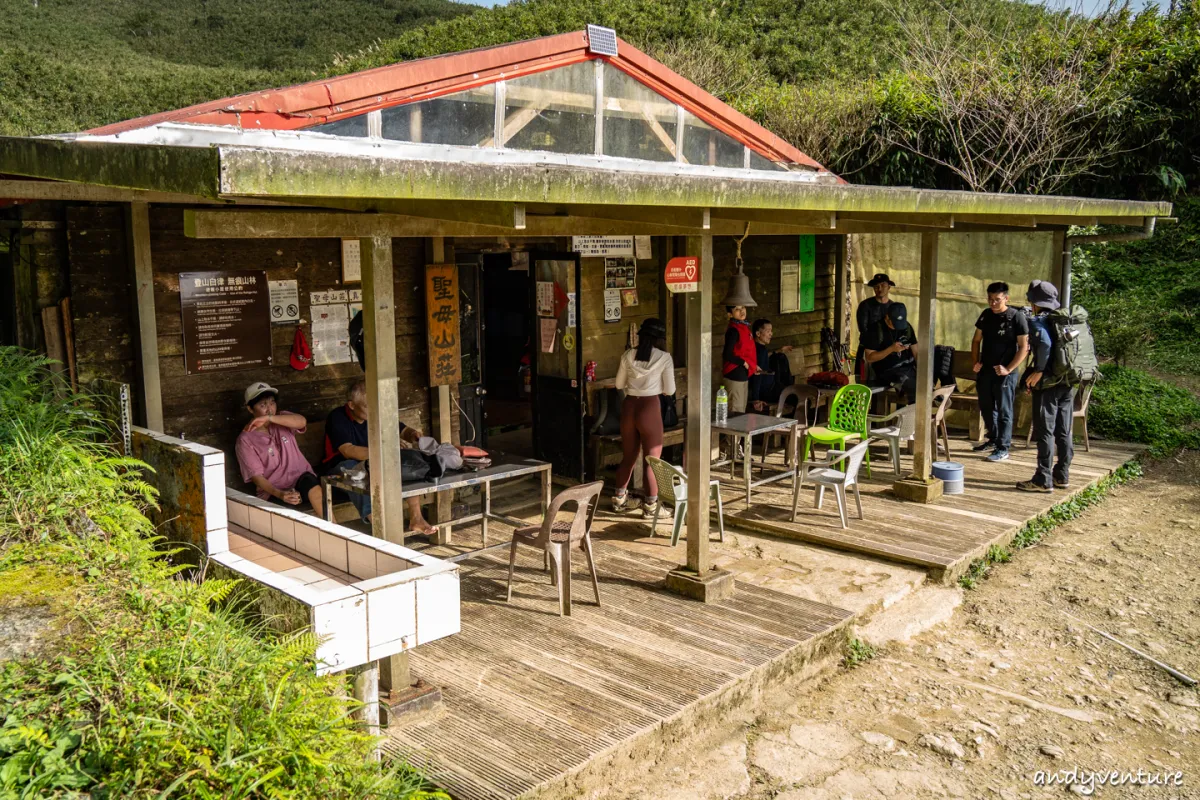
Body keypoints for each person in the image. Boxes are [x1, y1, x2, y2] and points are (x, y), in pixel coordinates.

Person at [320, 381, 438, 536]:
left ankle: (416, 518)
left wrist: (412, 435)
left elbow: (402, 430)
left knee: (404, 466)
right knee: (355, 471)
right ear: (352, 405)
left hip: (374, 464)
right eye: (367, 406)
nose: (373, 410)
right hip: (341, 470)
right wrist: (386, 452)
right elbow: (348, 451)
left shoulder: (376, 413)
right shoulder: (337, 417)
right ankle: (378, 525)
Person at [612, 318, 675, 517]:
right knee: (652, 460)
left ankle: (620, 499)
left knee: (628, 456)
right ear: (660, 339)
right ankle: (650, 506)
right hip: (649, 407)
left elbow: (618, 384)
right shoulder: (664, 357)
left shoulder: (627, 355)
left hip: (629, 406)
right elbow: (670, 389)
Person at [1017, 280, 1073, 493]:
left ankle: (1043, 479)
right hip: (1068, 381)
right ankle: (1062, 475)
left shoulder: (1038, 321)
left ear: (1033, 302)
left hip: (1049, 383)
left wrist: (1039, 370)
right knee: (1063, 430)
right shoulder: (1064, 320)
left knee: (1045, 431)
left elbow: (1046, 344)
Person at [235, 382, 324, 511]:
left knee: (312, 485)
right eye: (263, 405)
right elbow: (257, 477)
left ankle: (335, 530)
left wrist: (269, 418)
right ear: (250, 409)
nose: (269, 408)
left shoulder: (282, 419)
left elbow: (301, 422)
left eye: (272, 403)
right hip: (273, 491)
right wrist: (281, 494)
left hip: (300, 479)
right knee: (287, 515)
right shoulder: (245, 440)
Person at [971, 281, 1030, 463]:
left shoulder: (1016, 317)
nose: (993, 303)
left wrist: (1009, 369)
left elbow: (1024, 347)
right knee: (986, 406)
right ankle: (993, 439)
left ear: (1006, 298)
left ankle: (1003, 447)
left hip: (1005, 372)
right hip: (986, 370)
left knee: (1004, 410)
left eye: (997, 299)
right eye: (990, 299)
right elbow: (976, 340)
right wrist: (976, 362)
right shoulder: (986, 315)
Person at [862, 303, 920, 399]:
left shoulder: (907, 327)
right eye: (895, 323)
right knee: (910, 385)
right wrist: (891, 349)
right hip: (887, 371)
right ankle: (915, 411)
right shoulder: (875, 329)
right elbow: (869, 357)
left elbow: (916, 352)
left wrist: (921, 371)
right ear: (887, 317)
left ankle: (935, 401)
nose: (898, 327)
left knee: (921, 384)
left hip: (907, 368)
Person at [748, 318, 795, 412]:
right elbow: (757, 375)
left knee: (794, 394)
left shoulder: (760, 348)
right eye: (768, 331)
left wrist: (779, 351)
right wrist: (756, 399)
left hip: (772, 387)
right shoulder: (759, 351)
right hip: (768, 392)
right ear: (758, 334)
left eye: (771, 331)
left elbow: (765, 357)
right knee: (798, 397)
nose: (771, 334)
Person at [856, 273, 896, 382]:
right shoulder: (865, 306)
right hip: (868, 350)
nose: (880, 289)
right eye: (876, 286)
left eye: (883, 285)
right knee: (863, 383)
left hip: (887, 351)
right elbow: (863, 330)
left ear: (889, 287)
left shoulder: (893, 307)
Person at [721, 304, 757, 415]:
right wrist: (743, 362)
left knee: (741, 412)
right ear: (730, 314)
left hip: (742, 374)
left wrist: (752, 365)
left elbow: (744, 352)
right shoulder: (733, 330)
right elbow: (727, 354)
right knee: (735, 412)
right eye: (737, 309)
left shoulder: (743, 327)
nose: (741, 311)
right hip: (734, 375)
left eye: (743, 308)